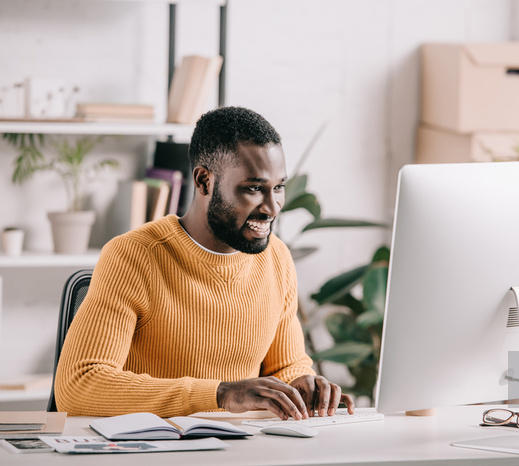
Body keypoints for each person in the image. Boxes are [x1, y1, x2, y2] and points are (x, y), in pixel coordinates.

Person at [55, 106, 354, 420]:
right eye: (254, 188)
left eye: (277, 187)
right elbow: (79, 386)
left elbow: (285, 366)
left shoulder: (276, 257)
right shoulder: (133, 256)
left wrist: (302, 384)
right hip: (156, 449)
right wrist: (221, 394)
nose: (272, 207)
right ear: (203, 181)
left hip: (244, 447)